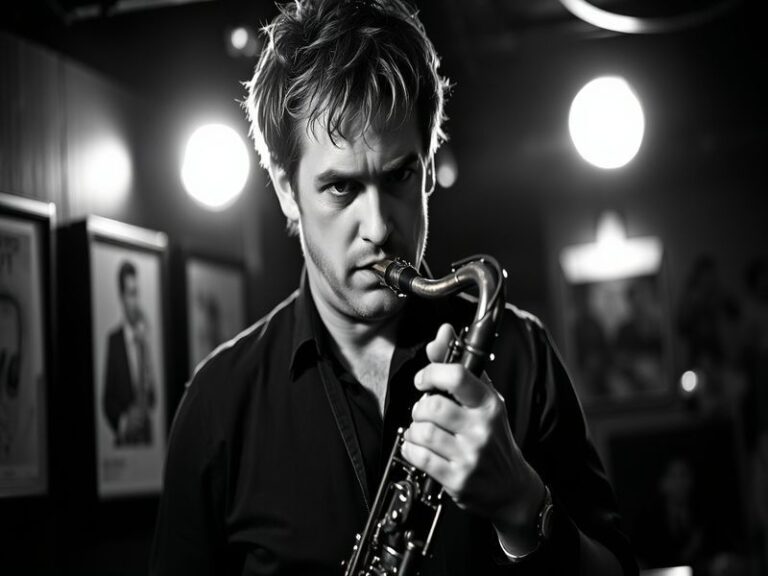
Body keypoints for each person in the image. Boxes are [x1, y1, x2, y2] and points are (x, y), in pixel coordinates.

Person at [150, 1, 637, 574]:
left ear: (429, 167)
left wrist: (520, 505)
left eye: (399, 175)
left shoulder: (522, 356)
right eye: (340, 189)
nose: (380, 227)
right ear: (286, 190)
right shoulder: (218, 404)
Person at [103, 260, 156, 446]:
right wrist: (125, 423)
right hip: (125, 442)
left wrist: (148, 360)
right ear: (122, 297)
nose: (135, 301)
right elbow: (107, 400)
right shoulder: (114, 340)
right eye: (130, 294)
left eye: (137, 293)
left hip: (146, 440)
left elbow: (153, 397)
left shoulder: (144, 340)